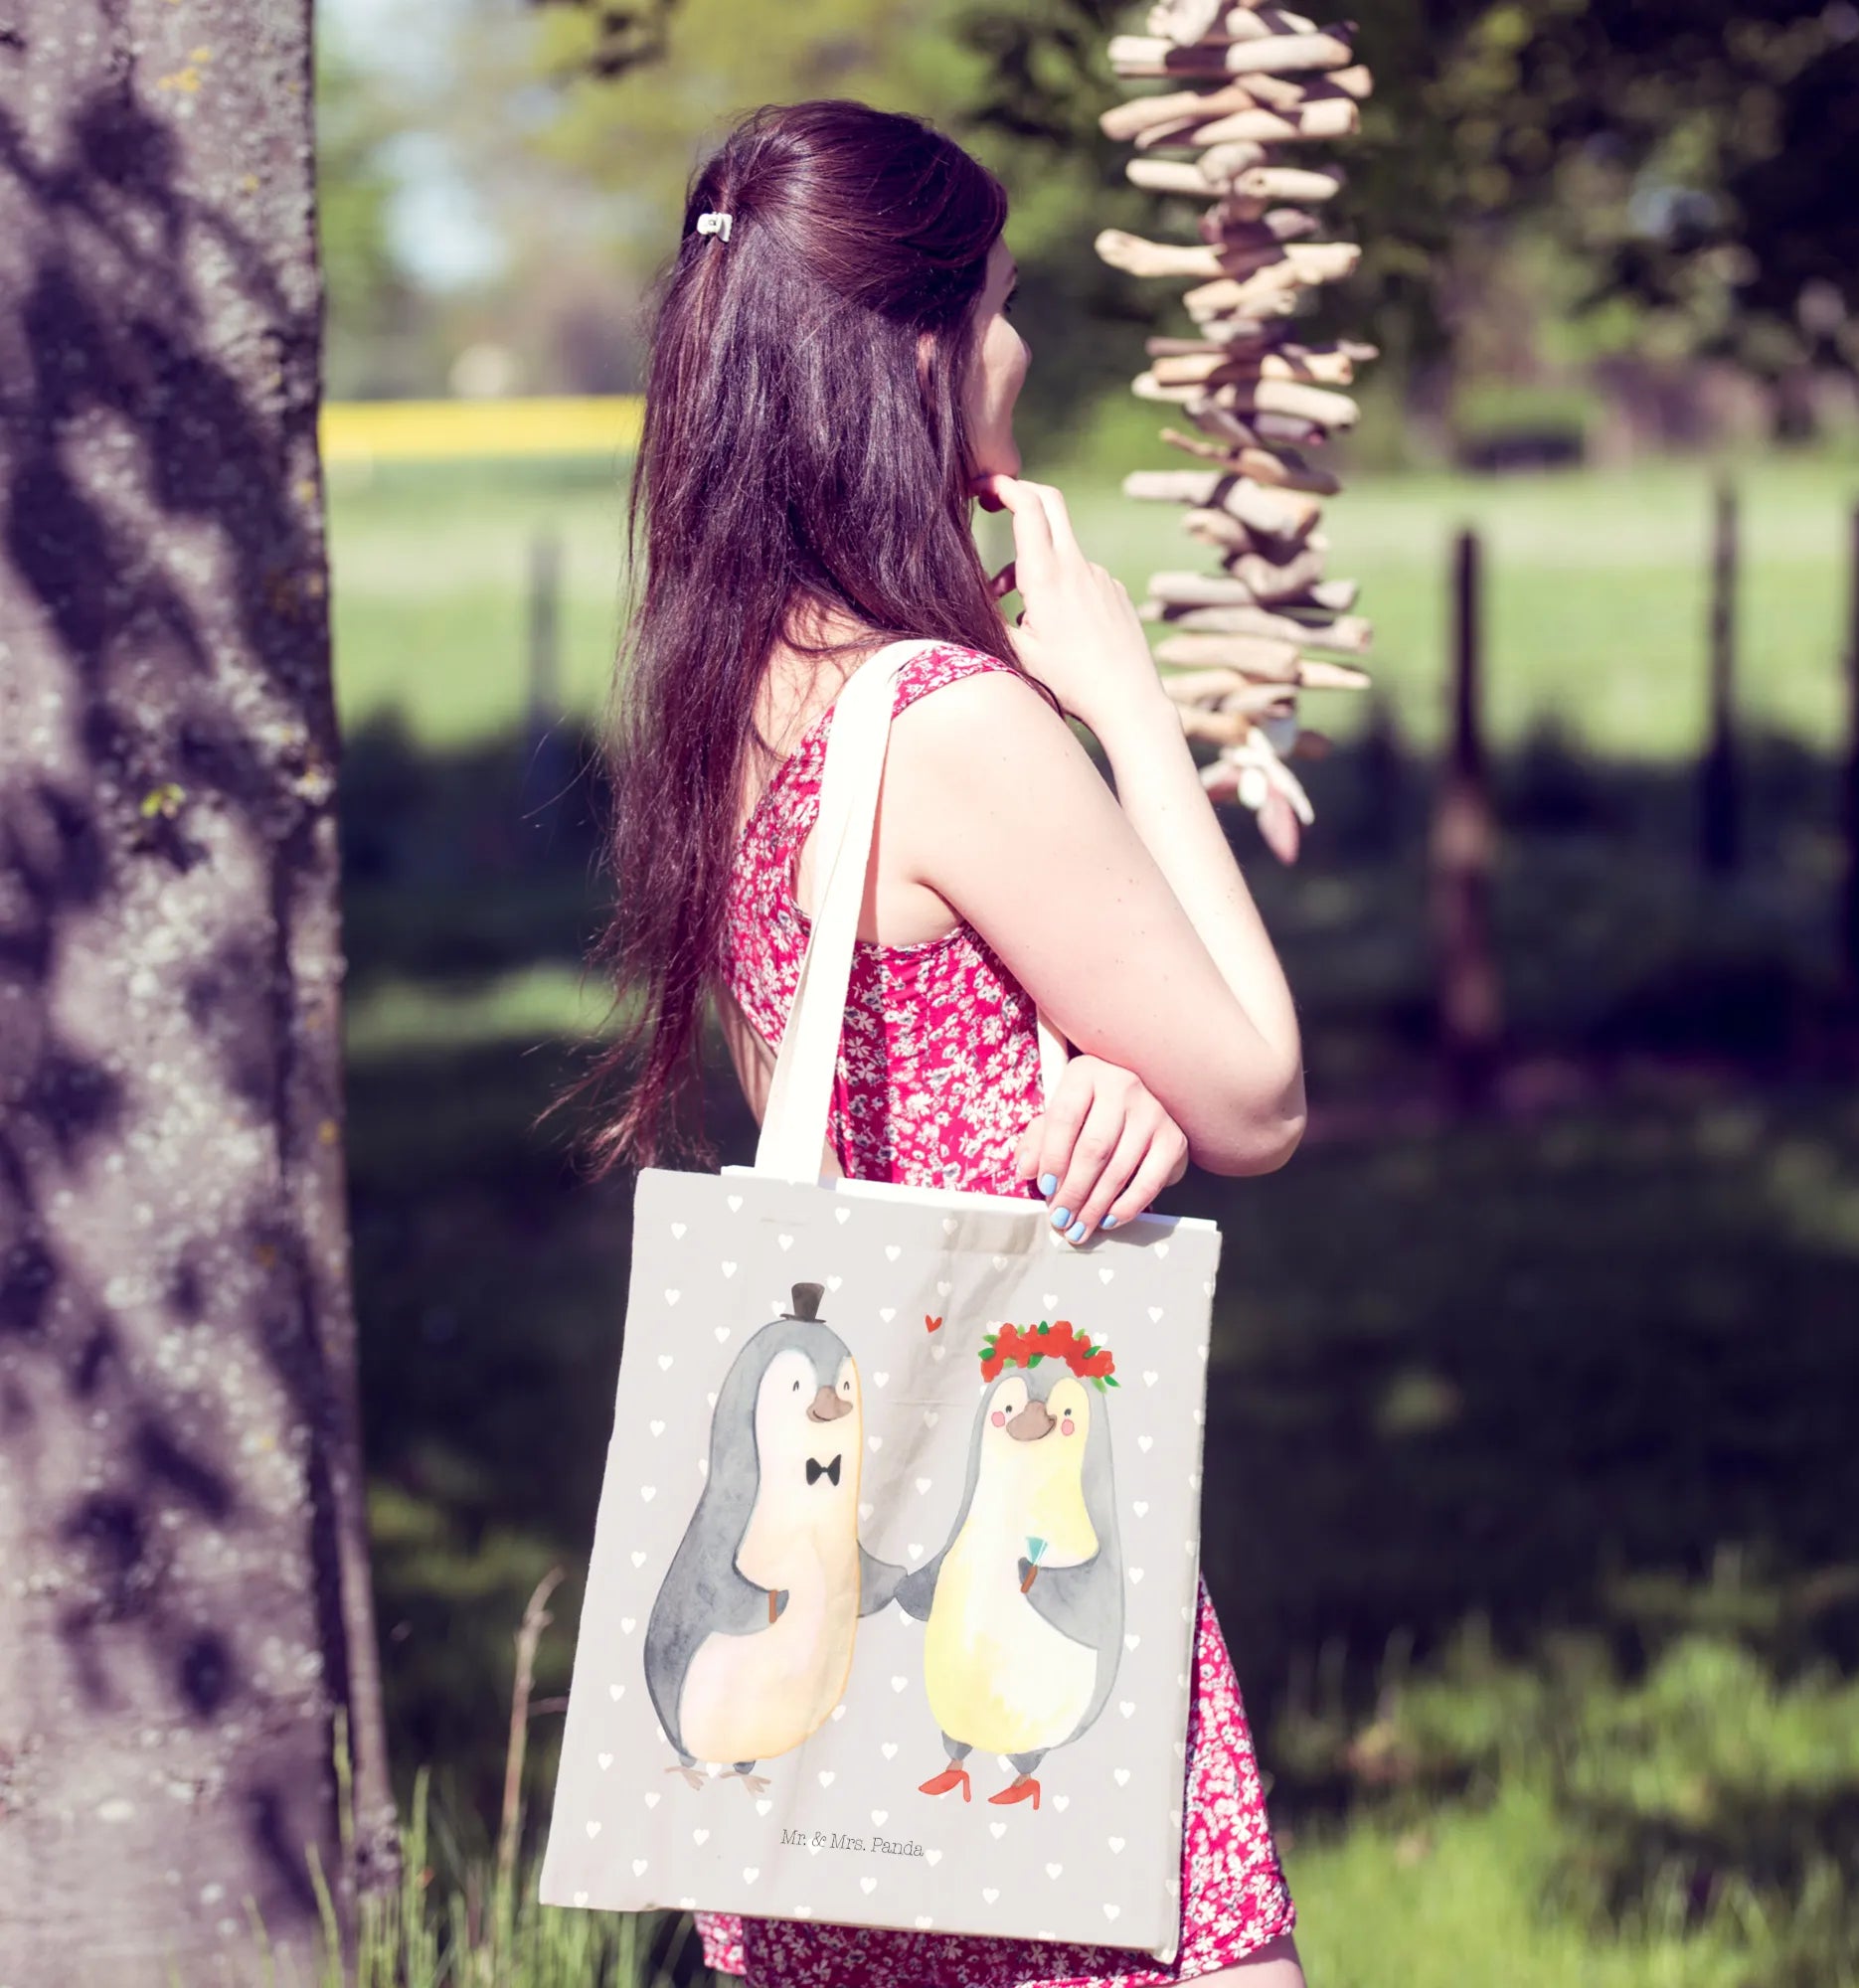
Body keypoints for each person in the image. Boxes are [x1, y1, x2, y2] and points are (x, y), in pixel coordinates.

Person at [571, 97, 1309, 1988]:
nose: (1019, 349)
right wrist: (1130, 711)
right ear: (913, 351)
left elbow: (844, 1080)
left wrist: (1089, 1063)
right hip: (1007, 1560)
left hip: (830, 1657)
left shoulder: (735, 688)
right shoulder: (954, 725)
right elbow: (1258, 1093)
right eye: (996, 305)